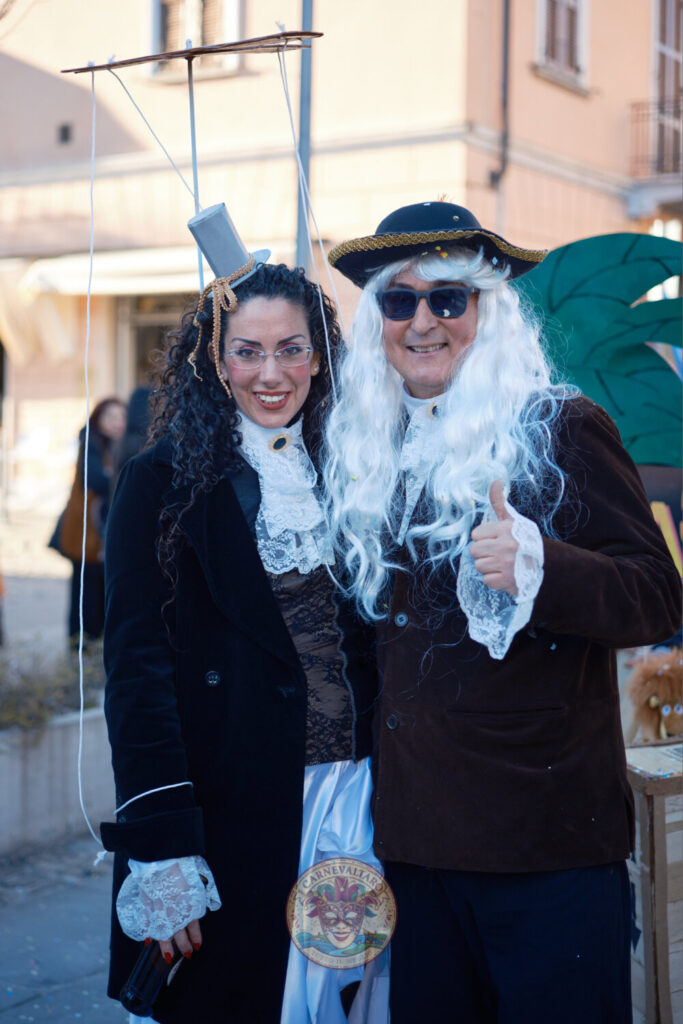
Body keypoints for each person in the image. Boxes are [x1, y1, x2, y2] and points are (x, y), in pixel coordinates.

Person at [323, 201, 682, 1024]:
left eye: (447, 298)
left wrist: (543, 568)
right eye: (399, 300)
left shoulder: (559, 425)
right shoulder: (368, 443)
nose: (422, 321)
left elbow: (657, 595)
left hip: (542, 849)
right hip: (415, 848)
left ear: (487, 312)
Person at [100, 244, 386, 1024]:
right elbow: (136, 673)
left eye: (291, 349)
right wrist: (162, 845)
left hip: (354, 806)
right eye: (247, 351)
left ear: (319, 358)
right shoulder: (158, 482)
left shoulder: (355, 472)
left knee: (345, 999)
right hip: (230, 808)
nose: (271, 373)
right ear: (214, 362)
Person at [54, 397, 126, 644]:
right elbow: (97, 480)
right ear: (99, 419)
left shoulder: (120, 445)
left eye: (121, 417)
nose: (117, 422)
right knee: (85, 596)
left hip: (100, 536)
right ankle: (81, 649)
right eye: (111, 417)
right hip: (86, 533)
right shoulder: (92, 443)